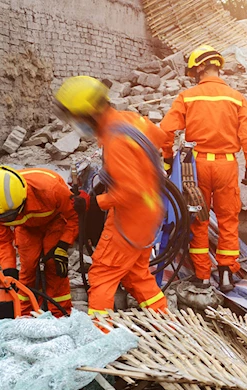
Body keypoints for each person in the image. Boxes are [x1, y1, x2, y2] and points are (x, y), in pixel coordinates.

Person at [56, 75, 169, 315]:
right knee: (136, 274)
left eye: (76, 118)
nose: (75, 124)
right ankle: (164, 321)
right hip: (149, 212)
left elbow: (129, 191)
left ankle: (102, 338)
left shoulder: (115, 140)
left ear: (89, 114)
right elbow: (161, 137)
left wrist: (93, 202)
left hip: (129, 218)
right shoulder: (129, 120)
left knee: (102, 274)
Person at [160, 45, 247, 293]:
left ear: (200, 68)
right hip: (227, 164)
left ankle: (203, 276)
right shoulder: (237, 98)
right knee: (228, 218)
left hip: (196, 166)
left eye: (194, 70)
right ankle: (227, 274)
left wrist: (168, 158)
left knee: (199, 219)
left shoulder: (188, 97)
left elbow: (165, 130)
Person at [0, 166, 78, 317]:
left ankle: (60, 314)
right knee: (28, 267)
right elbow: (1, 240)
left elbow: (73, 217)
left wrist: (63, 245)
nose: (5, 220)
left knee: (54, 265)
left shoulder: (51, 189)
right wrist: (8, 269)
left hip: (54, 222)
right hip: (25, 228)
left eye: (9, 217)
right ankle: (25, 314)